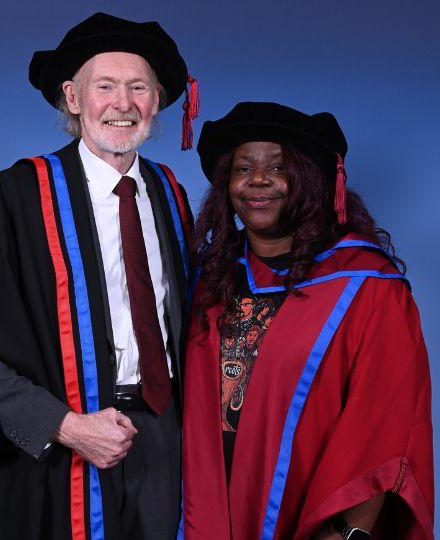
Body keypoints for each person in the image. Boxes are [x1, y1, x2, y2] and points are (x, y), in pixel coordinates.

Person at [0, 12, 198, 540]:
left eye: (138, 88)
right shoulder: (19, 195)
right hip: (64, 443)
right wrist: (66, 426)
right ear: (73, 98)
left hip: (165, 434)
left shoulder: (171, 195)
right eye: (105, 86)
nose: (123, 104)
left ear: (157, 100)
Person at [182, 102, 433, 539]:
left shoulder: (366, 285)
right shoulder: (209, 280)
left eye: (278, 168)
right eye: (243, 169)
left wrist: (345, 531)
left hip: (312, 511)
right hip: (206, 507)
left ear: (312, 182)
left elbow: (384, 423)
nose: (257, 181)